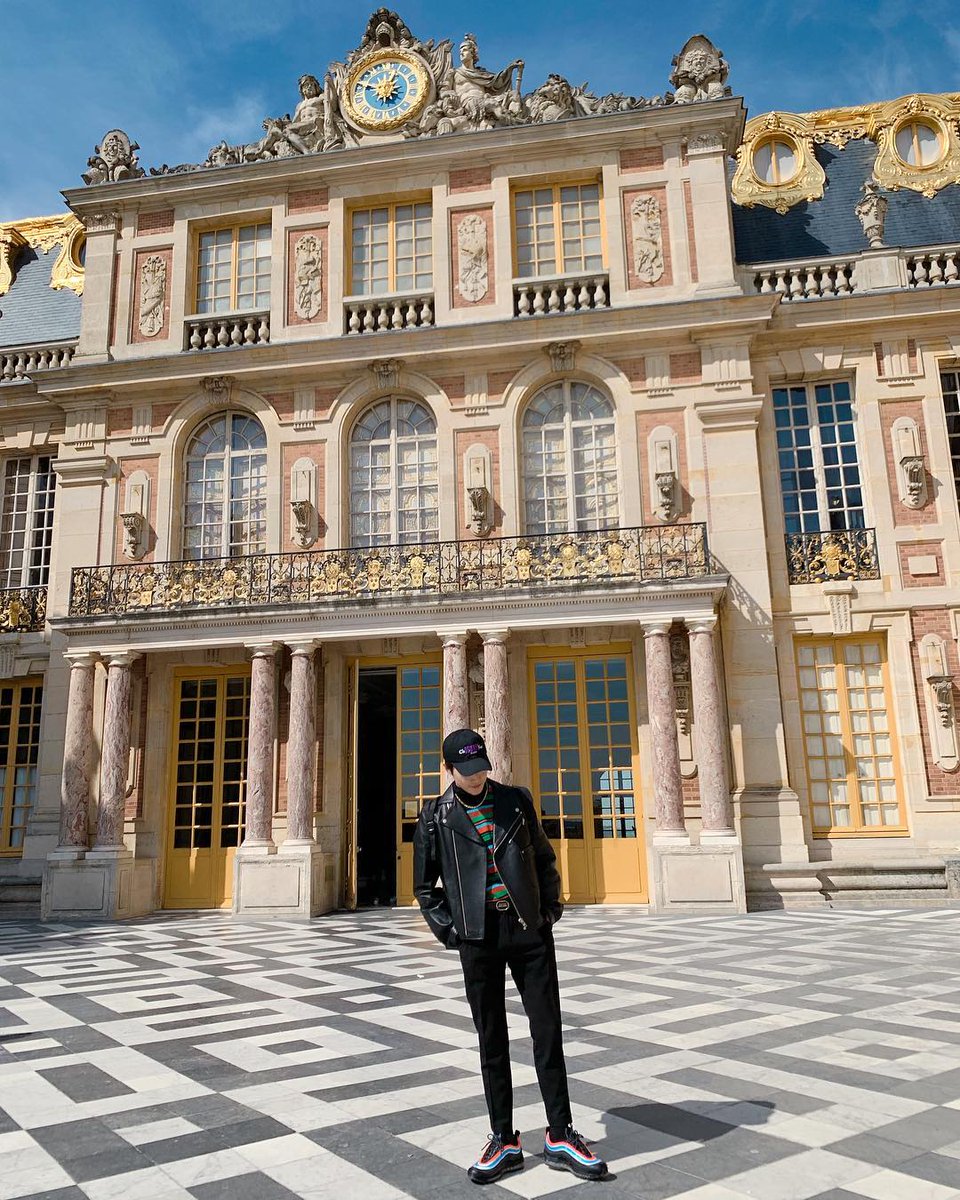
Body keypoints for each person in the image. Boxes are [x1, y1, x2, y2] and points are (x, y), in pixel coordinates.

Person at [413, 728, 608, 1184]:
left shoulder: (515, 801)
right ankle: (504, 1138)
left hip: (527, 931)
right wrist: (454, 933)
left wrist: (549, 911)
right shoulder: (435, 817)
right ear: (449, 772)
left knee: (548, 1031)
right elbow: (425, 888)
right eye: (466, 772)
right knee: (492, 1039)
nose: (476, 778)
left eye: (481, 768)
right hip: (478, 939)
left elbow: (542, 858)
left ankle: (561, 1134)